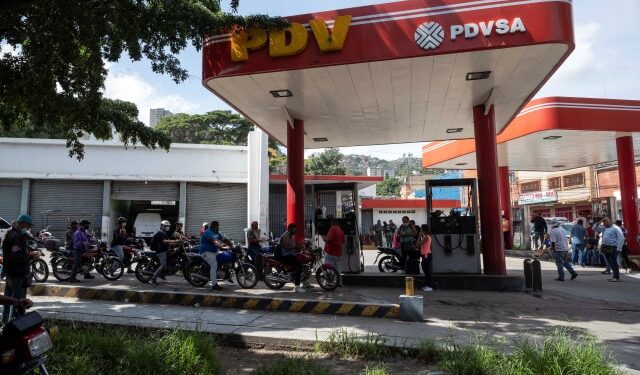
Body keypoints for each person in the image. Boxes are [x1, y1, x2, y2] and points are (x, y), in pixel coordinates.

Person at [2, 215, 35, 323]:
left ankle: (5, 322)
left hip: (11, 272)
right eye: (28, 225)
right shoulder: (16, 236)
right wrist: (31, 256)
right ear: (22, 223)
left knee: (8, 299)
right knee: (20, 301)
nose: (29, 227)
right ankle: (19, 323)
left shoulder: (11, 233)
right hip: (17, 273)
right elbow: (16, 257)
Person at [199, 221, 228, 290]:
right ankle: (214, 285)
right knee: (214, 264)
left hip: (214, 251)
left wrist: (230, 245)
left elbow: (223, 239)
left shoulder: (217, 232)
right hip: (206, 252)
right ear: (214, 226)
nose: (218, 227)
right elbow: (214, 241)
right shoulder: (208, 232)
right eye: (217, 226)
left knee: (224, 256)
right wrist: (221, 246)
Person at [149, 220, 179, 285]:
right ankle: (152, 279)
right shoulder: (161, 233)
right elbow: (164, 241)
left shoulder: (163, 232)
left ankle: (162, 274)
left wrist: (175, 243)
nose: (168, 227)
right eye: (166, 226)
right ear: (162, 226)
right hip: (160, 251)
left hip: (163, 250)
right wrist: (174, 241)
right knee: (163, 266)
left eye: (168, 226)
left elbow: (167, 242)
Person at [279, 223, 305, 292]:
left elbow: (291, 248)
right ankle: (296, 286)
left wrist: (299, 248)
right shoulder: (286, 235)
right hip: (285, 256)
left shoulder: (290, 236)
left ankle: (303, 281)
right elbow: (287, 246)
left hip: (290, 255)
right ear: (290, 229)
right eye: (294, 229)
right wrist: (296, 247)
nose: (295, 231)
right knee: (299, 266)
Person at [600, 217, 625, 282]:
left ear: (610, 221)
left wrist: (619, 248)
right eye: (604, 222)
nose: (605, 223)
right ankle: (614, 276)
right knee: (610, 262)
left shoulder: (616, 228)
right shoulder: (604, 228)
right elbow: (595, 228)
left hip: (613, 247)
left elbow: (621, 238)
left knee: (614, 262)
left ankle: (616, 277)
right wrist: (600, 221)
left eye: (606, 221)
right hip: (605, 247)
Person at [323, 217, 345, 286]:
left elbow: (329, 239)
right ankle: (339, 282)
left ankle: (328, 282)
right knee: (338, 268)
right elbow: (343, 241)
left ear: (332, 223)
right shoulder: (340, 230)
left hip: (331, 251)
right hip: (338, 252)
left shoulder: (332, 228)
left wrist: (324, 238)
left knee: (328, 267)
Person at [418, 224, 432, 292]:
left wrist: (419, 235)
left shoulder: (426, 237)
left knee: (426, 270)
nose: (421, 230)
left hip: (427, 254)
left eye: (421, 229)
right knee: (425, 269)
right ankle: (427, 285)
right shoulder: (426, 236)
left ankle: (429, 286)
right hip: (425, 254)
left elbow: (419, 243)